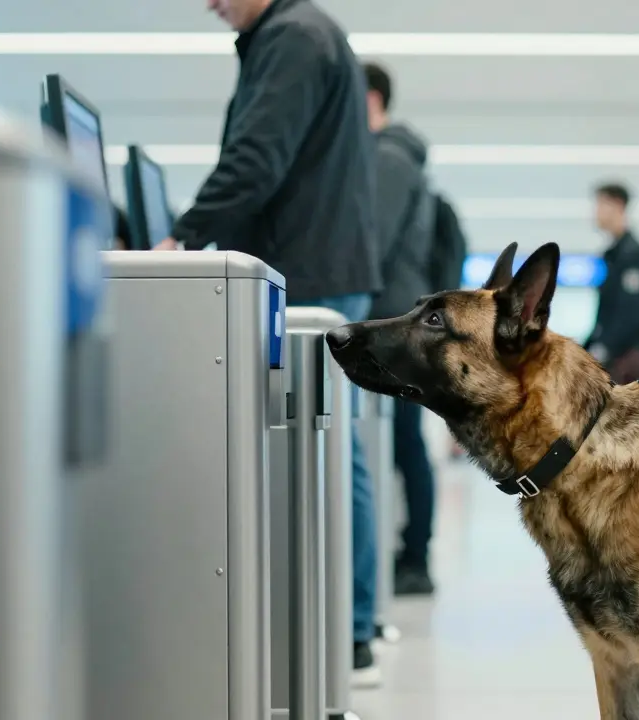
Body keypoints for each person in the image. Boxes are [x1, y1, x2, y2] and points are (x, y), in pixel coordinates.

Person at [153, 0, 384, 688]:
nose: (209, 3)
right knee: (332, 448)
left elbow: (256, 157)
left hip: (307, 267)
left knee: (327, 451)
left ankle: (350, 630)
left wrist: (183, 236)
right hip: (323, 263)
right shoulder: (300, 35)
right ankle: (352, 626)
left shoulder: (292, 38)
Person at [362, 61, 440, 598]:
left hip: (394, 322)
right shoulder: (397, 156)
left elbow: (372, 244)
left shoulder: (388, 157)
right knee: (401, 443)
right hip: (399, 314)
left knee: (405, 444)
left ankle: (415, 558)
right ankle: (411, 552)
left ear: (368, 99)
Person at [582, 182, 639, 385]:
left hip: (629, 364)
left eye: (600, 205)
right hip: (623, 359)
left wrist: (602, 350)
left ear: (618, 205)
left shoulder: (633, 257)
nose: (595, 213)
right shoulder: (615, 256)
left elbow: (632, 316)